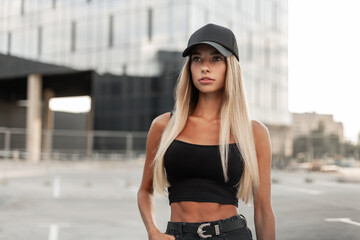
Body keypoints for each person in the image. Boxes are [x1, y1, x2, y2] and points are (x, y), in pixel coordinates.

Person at [137, 23, 275, 240]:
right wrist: (153, 231)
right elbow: (145, 191)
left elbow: (264, 211)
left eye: (216, 58)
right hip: (177, 235)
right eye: (197, 59)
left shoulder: (253, 132)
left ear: (230, 67)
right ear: (189, 67)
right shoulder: (164, 126)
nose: (205, 67)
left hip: (231, 234)